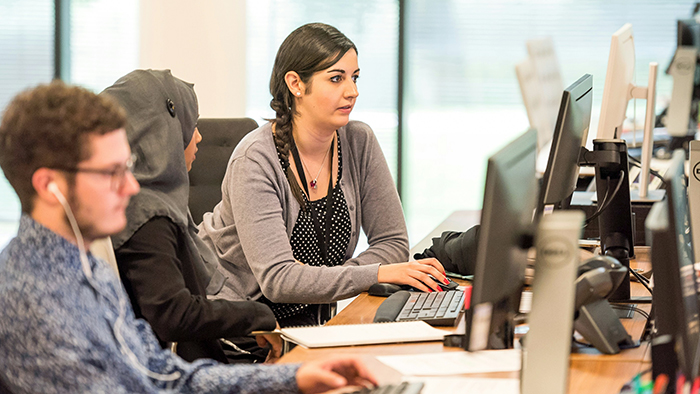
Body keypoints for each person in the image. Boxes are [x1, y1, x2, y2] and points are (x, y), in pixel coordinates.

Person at [0, 80, 377, 393]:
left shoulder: (85, 268)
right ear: (50, 186)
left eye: (128, 167)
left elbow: (162, 373)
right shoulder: (33, 297)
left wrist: (291, 378)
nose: (131, 186)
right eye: (111, 172)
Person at [198, 22, 448, 327]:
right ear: (296, 84)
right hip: (243, 330)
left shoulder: (358, 141)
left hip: (313, 324)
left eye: (354, 78)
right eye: (336, 79)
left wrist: (326, 279)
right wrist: (376, 273)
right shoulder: (256, 159)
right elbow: (278, 280)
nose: (352, 91)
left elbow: (393, 243)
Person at [101, 69, 281, 364]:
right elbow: (173, 314)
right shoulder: (148, 215)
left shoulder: (143, 203)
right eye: (191, 125)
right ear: (162, 132)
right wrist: (257, 316)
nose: (198, 136)